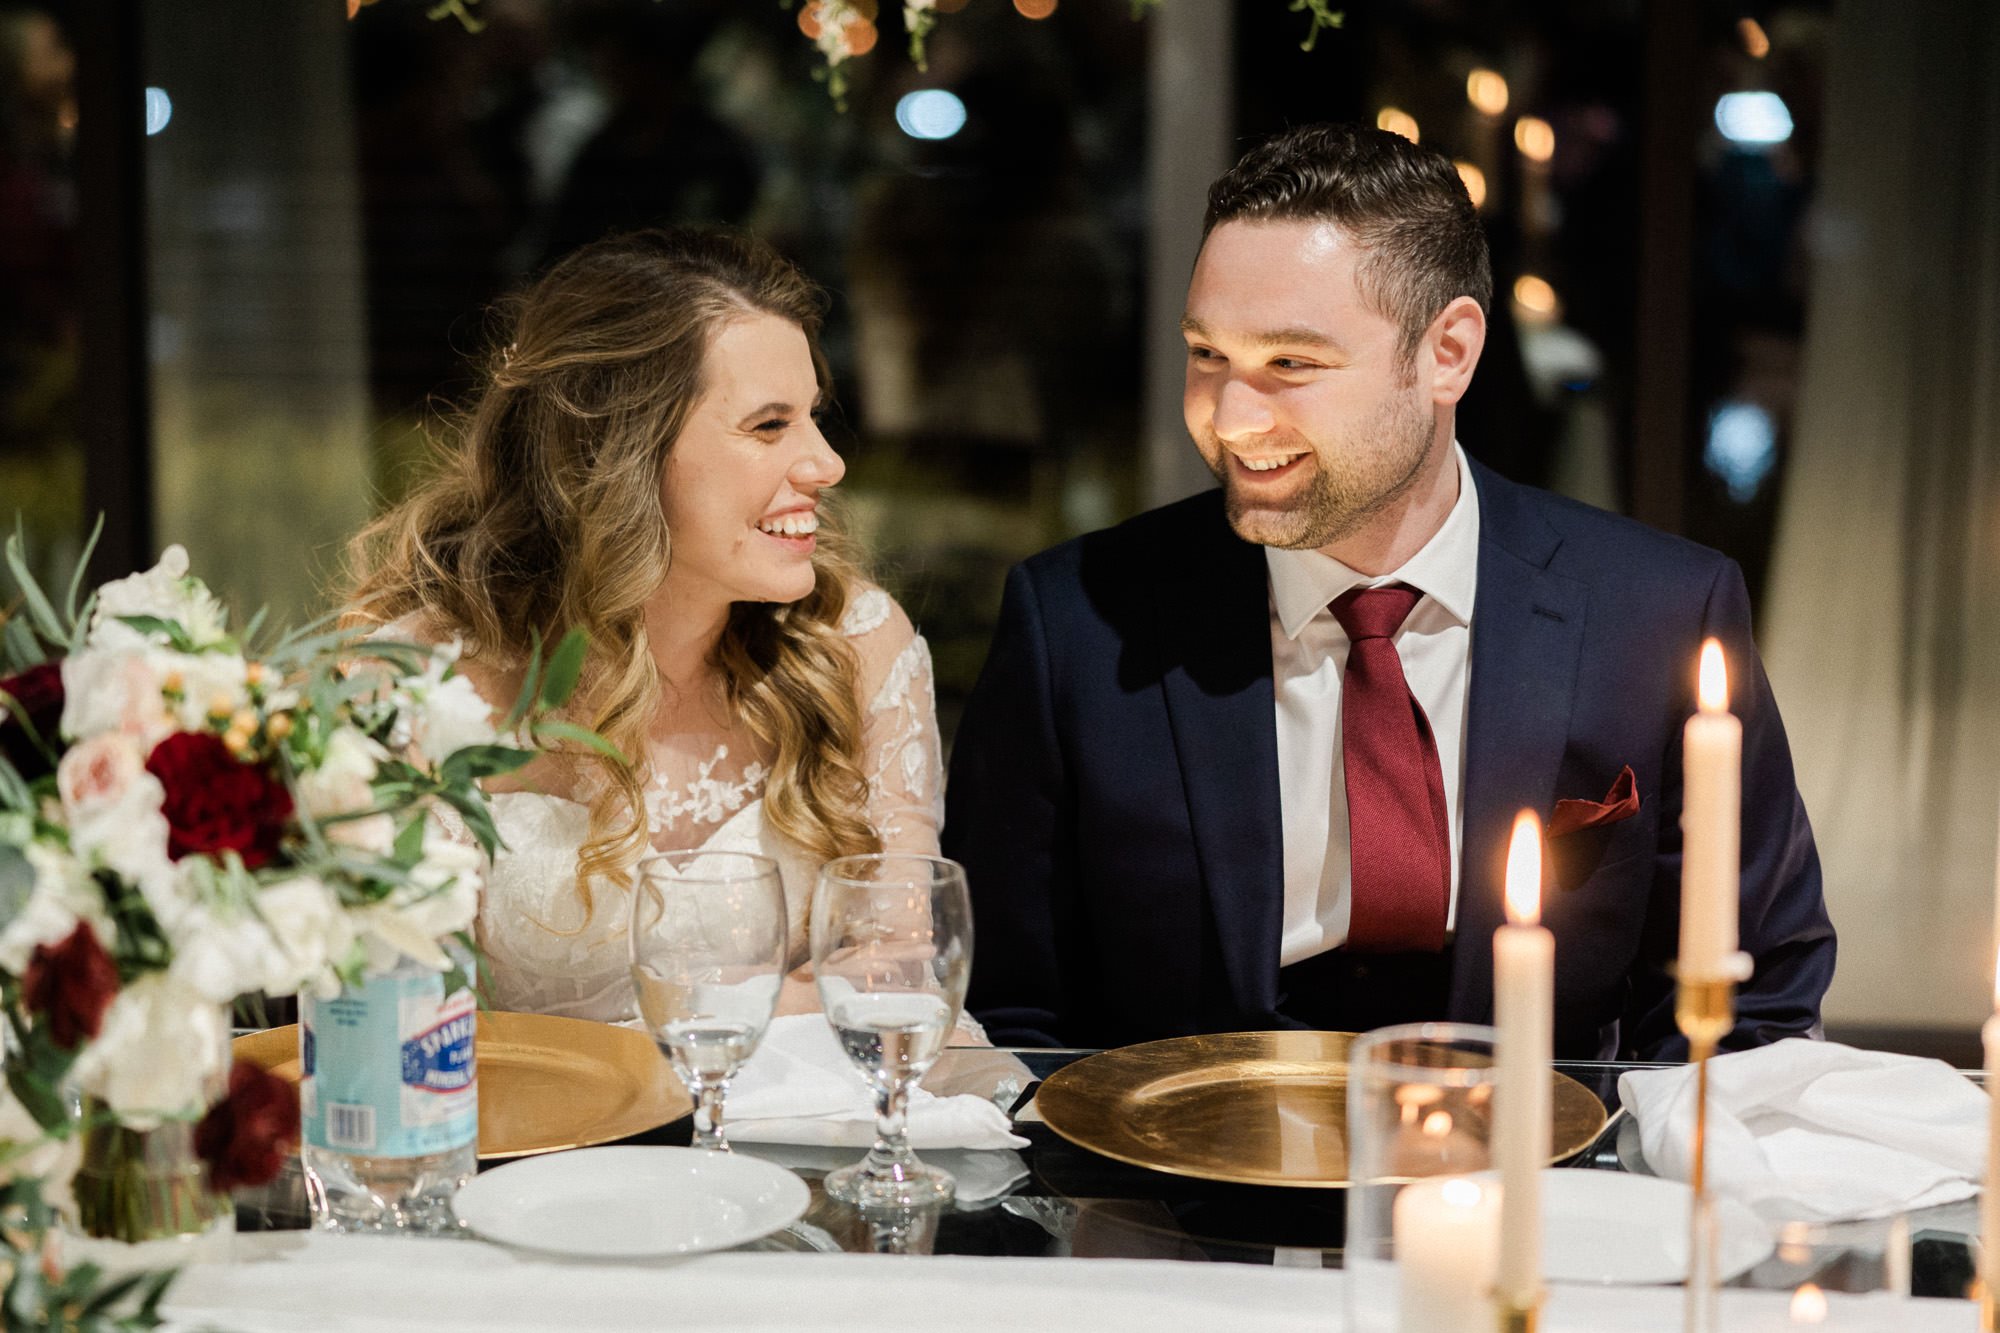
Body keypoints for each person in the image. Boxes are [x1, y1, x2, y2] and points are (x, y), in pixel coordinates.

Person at [942, 124, 1835, 1060]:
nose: (1234, 419)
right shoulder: (1074, 621)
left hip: (1540, 1172)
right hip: (1176, 1185)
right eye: (1207, 355)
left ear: (1448, 352)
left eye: (1292, 364)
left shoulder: (1657, 611)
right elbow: (1002, 1010)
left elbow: (1757, 993)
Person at [342, 228, 943, 1024]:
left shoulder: (857, 644)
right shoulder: (413, 687)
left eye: (813, 416)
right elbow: (394, 1016)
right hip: (528, 1141)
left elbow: (894, 968)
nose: (826, 462)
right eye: (770, 426)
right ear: (619, 451)